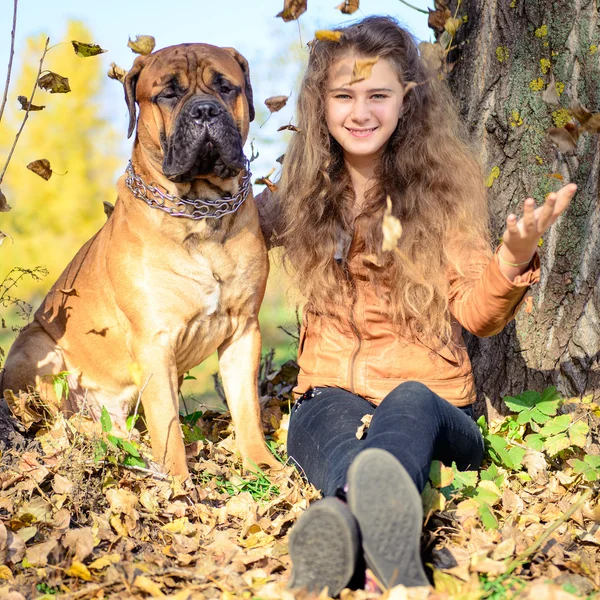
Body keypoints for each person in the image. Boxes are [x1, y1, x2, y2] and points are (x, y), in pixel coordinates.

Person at [255, 15, 576, 596]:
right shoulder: (298, 191)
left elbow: (480, 314)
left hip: (436, 410)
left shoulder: (441, 192)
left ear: (407, 99)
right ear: (320, 104)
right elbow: (232, 235)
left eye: (378, 94)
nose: (361, 112)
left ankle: (350, 535)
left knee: (407, 401)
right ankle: (376, 546)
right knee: (327, 431)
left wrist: (511, 259)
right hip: (326, 399)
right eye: (344, 96)